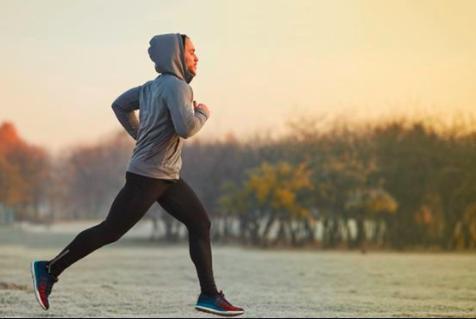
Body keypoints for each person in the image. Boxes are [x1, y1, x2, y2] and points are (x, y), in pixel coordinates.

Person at [31, 33, 244, 317]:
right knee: (111, 230)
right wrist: (203, 113)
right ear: (176, 55)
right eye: (192, 51)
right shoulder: (179, 88)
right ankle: (48, 270)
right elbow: (186, 128)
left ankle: (209, 295)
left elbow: (119, 104)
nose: (197, 57)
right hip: (148, 176)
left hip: (166, 176)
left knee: (200, 223)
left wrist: (139, 134)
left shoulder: (151, 87)